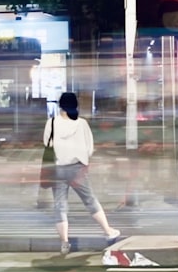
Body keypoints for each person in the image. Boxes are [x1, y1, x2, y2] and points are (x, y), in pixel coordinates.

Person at [44, 92, 121, 255]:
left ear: (60, 106)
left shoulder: (51, 123)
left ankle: (64, 242)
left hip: (57, 169)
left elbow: (47, 143)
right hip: (77, 168)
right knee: (89, 199)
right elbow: (89, 148)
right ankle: (108, 231)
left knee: (60, 205)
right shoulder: (82, 124)